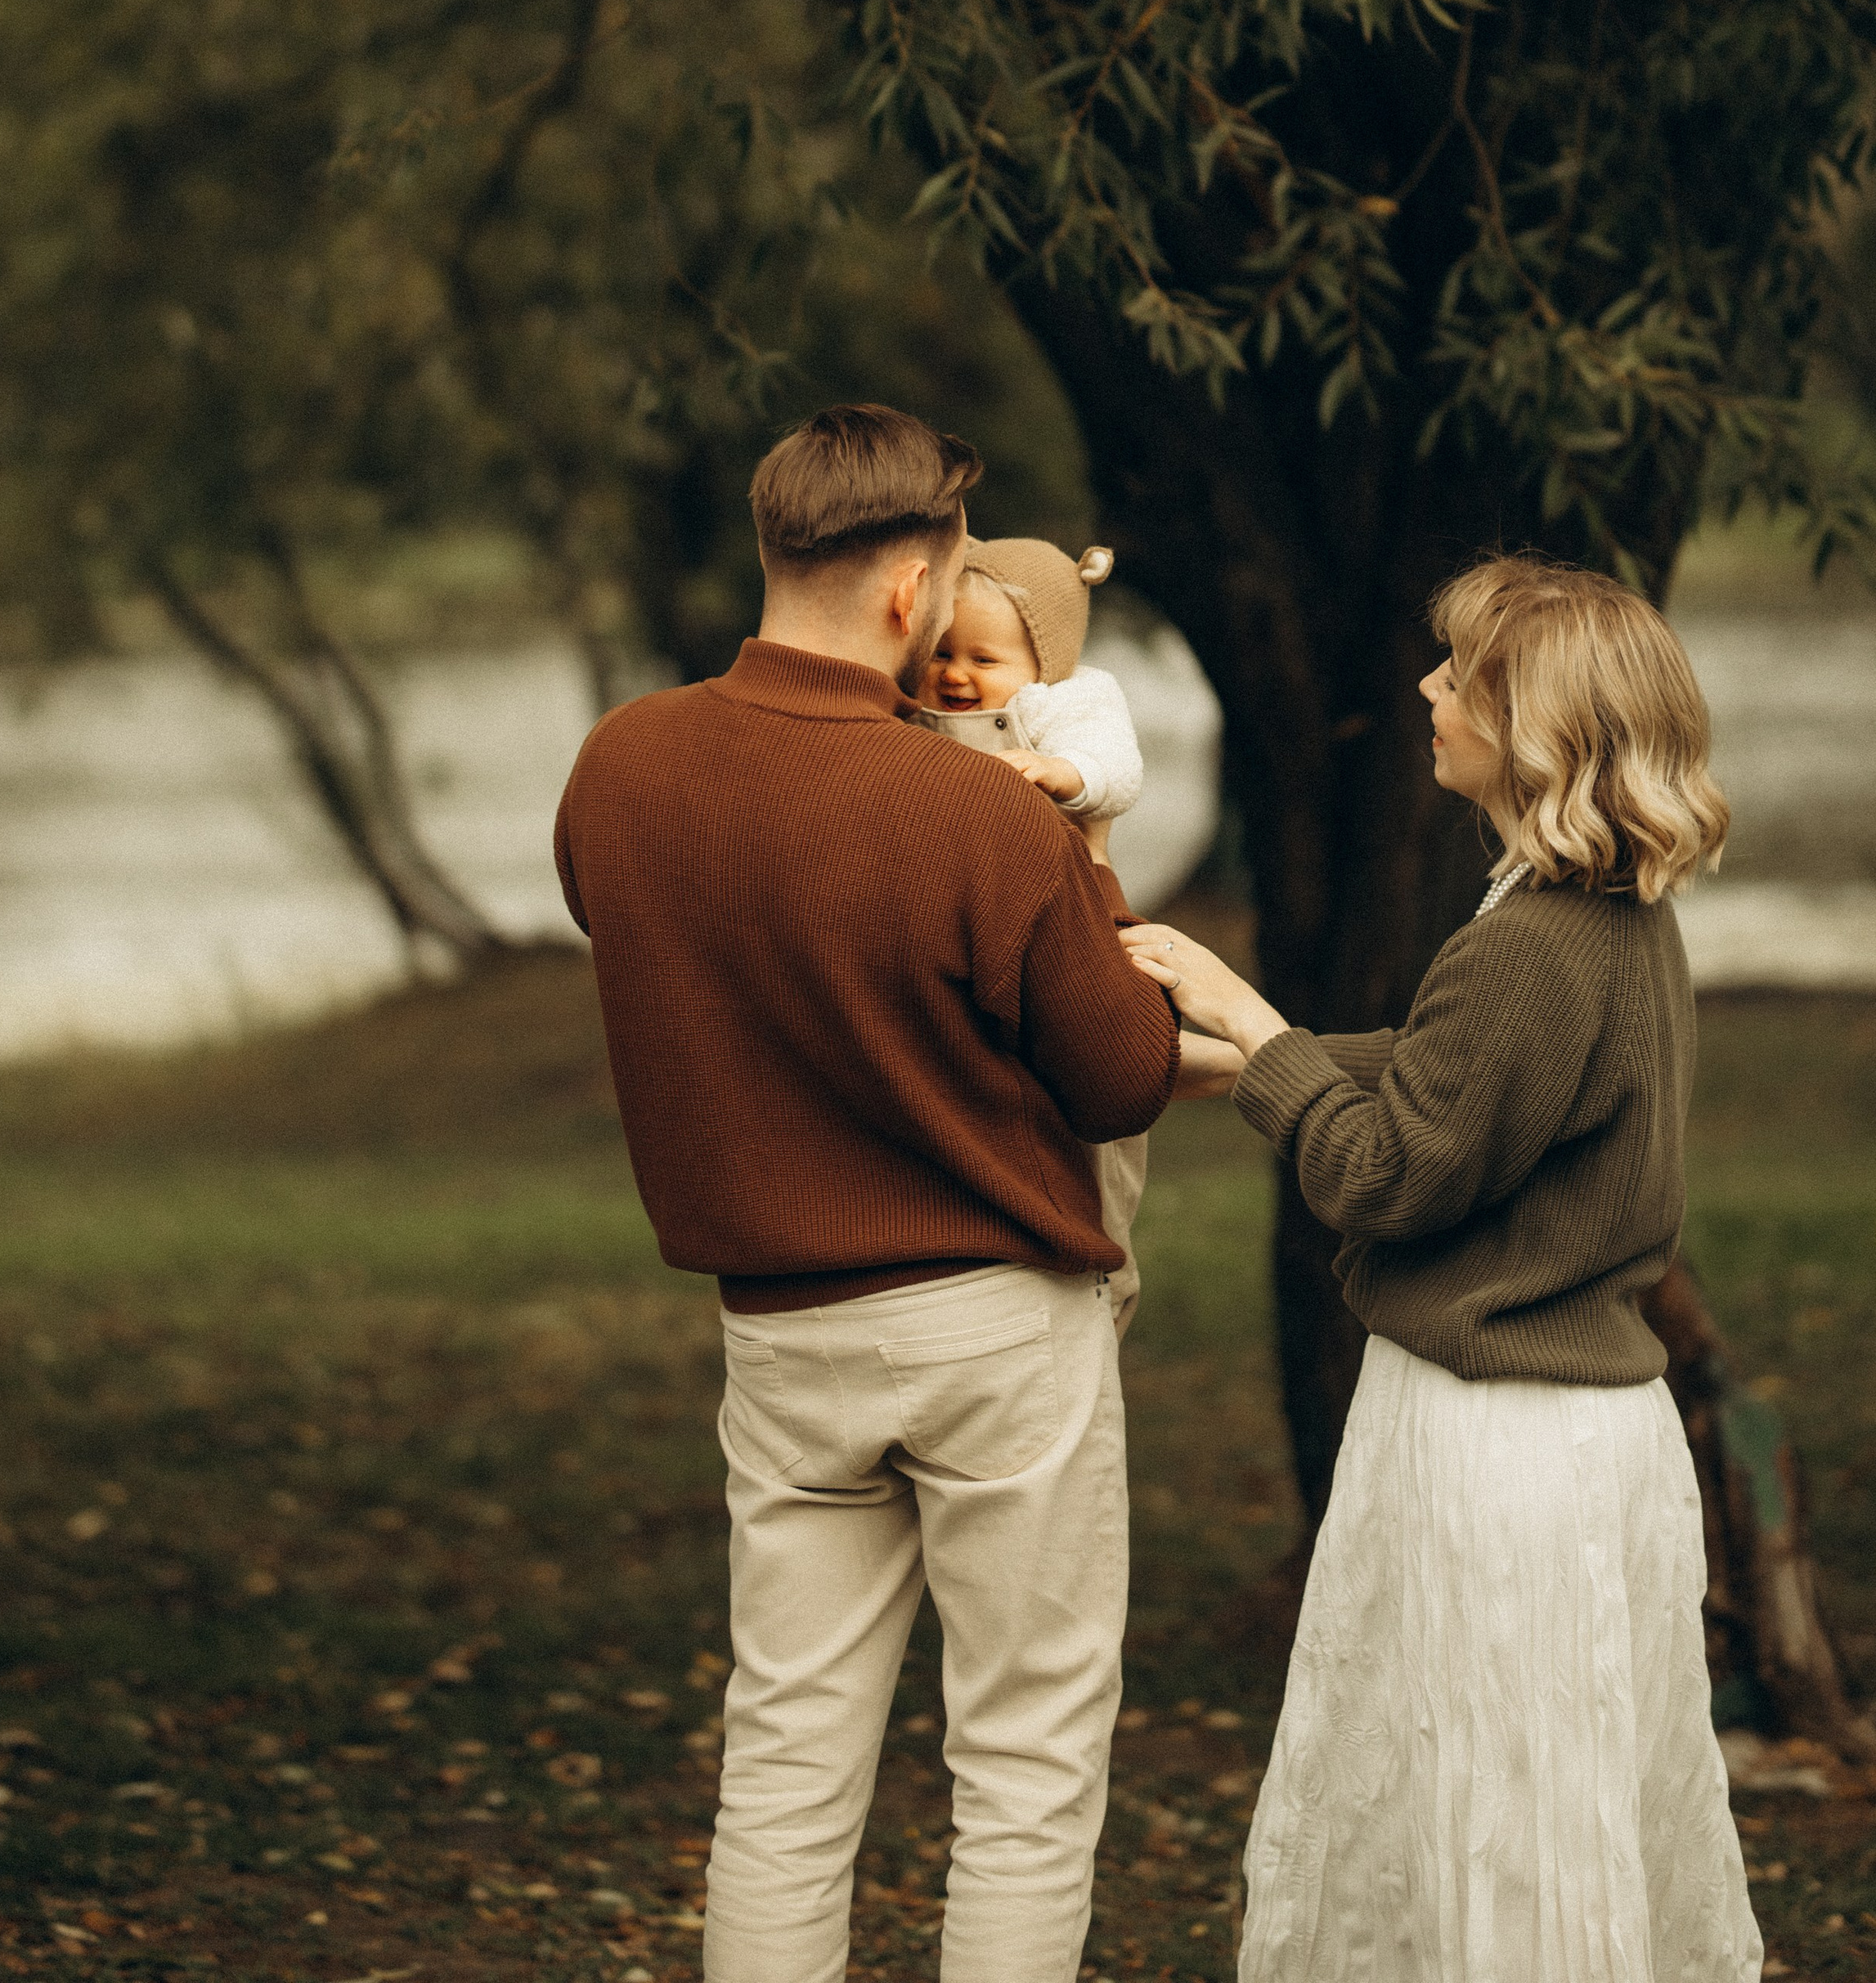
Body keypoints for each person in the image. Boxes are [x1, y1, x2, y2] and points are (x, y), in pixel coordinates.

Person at [553, 404, 1221, 1983]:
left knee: (784, 1760)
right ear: (918, 594)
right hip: (996, 1331)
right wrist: (1090, 864)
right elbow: (1121, 1074)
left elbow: (674, 952)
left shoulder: (619, 771)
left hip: (782, 1336)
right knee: (1026, 1766)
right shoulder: (984, 810)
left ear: (777, 549)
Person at [1124, 550, 1763, 1983]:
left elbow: (1389, 1170)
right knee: (1530, 1806)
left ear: (1534, 723)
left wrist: (1243, 1016)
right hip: (1576, 1437)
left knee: (1506, 1819)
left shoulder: (1533, 946)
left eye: (1457, 672)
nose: (1423, 686)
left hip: (1506, 1456)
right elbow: (1448, 1082)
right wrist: (1236, 1066)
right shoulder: (1603, 919)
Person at [915, 536, 1152, 1331]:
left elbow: (1118, 768)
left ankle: (1111, 1272)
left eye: (983, 657)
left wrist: (1068, 775)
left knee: (1100, 1135)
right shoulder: (918, 709)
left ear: (1043, 660)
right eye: (941, 651)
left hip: (1074, 927)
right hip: (978, 932)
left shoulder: (1067, 703)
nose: (955, 674)